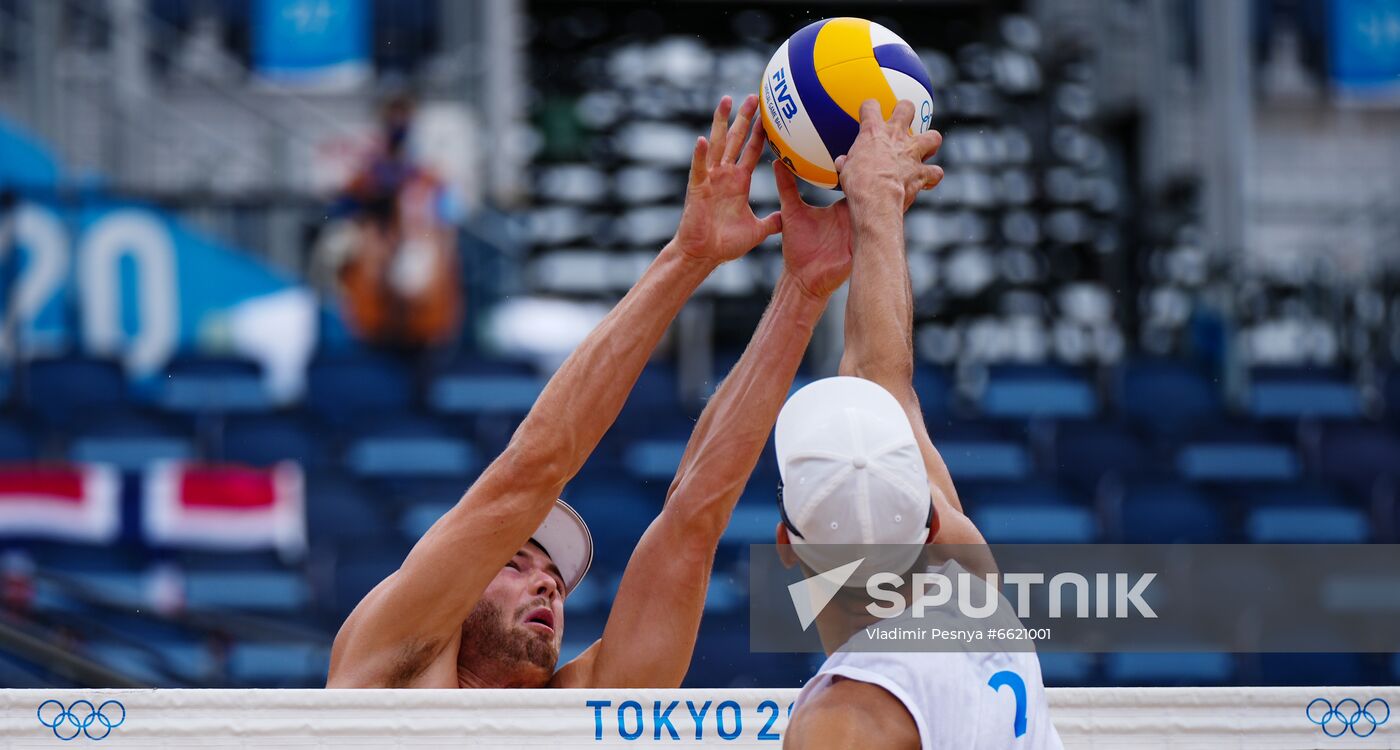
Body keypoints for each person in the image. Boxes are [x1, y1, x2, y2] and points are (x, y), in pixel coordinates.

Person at [327, 94, 849, 689]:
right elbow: (534, 469)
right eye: (515, 564)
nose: (548, 583)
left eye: (550, 575)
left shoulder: (580, 707)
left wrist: (804, 292)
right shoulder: (389, 659)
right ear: (451, 584)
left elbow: (693, 521)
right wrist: (686, 258)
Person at [777, 101, 1063, 749]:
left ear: (785, 544)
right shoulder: (975, 597)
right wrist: (877, 207)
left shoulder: (845, 720)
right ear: (934, 523)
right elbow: (884, 380)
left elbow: (881, 384)